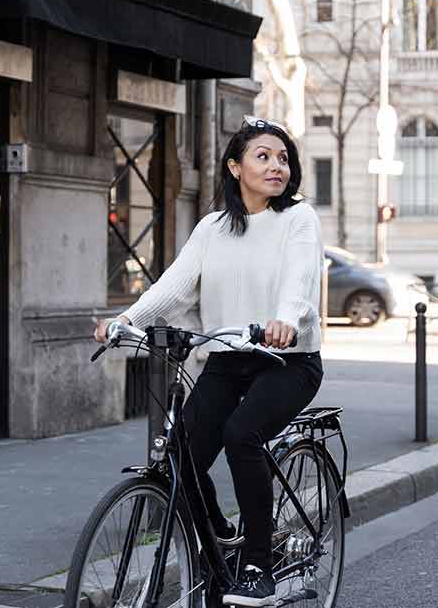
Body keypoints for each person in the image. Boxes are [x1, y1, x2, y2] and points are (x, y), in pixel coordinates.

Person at [95, 116, 324, 607]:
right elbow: (175, 285)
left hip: (287, 360)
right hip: (227, 359)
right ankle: (221, 536)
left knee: (242, 434)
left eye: (283, 158)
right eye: (263, 156)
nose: (276, 166)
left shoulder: (298, 219)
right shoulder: (212, 228)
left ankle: (259, 565)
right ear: (235, 167)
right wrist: (126, 317)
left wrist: (285, 319)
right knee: (180, 452)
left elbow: (300, 281)